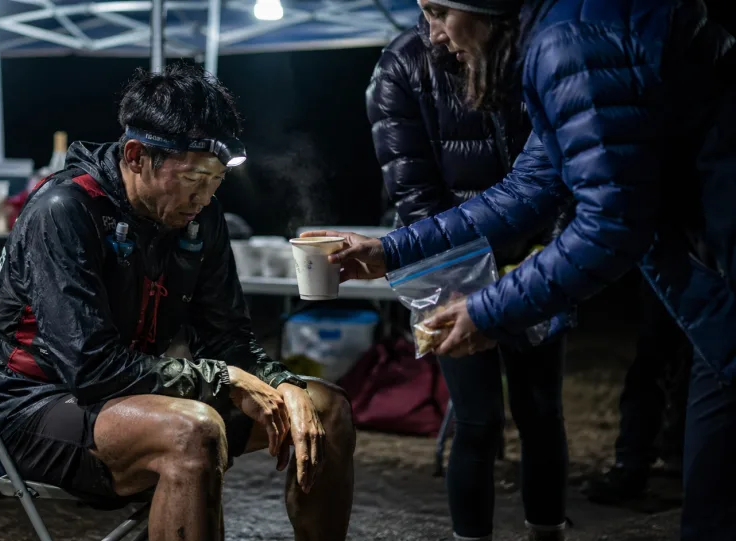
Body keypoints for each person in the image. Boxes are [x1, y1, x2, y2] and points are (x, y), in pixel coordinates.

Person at [306, 1, 736, 540]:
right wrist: (392, 251)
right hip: (715, 288)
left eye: (440, 11)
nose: (433, 34)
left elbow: (610, 223)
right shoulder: (552, 35)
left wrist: (491, 306)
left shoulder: (566, 43)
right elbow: (527, 189)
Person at [0, 63, 356, 541]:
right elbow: (91, 368)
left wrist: (282, 384)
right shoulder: (65, 211)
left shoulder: (201, 218)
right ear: (137, 155)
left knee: (325, 406)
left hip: (138, 395)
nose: (204, 196)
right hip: (41, 407)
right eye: (193, 178)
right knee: (192, 432)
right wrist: (219, 378)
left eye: (217, 179)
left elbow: (227, 337)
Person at [366, 12, 572, 541]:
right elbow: (415, 198)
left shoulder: (535, 52)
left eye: (441, 12)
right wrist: (454, 284)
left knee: (541, 410)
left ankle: (547, 532)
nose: (433, 31)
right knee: (477, 419)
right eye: (425, 11)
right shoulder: (403, 66)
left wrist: (552, 255)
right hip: (448, 263)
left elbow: (570, 172)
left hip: (535, 259)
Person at [585, 282, 691, 504]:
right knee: (653, 361)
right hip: (669, 272)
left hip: (691, 274)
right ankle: (635, 462)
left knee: (666, 364)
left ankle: (655, 458)